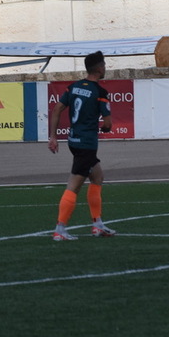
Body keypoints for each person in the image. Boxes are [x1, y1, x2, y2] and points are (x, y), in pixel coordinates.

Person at [47, 51, 117, 241]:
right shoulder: (100, 93)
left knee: (98, 177)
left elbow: (57, 109)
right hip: (87, 144)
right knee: (74, 186)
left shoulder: (74, 87)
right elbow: (109, 124)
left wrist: (53, 136)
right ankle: (60, 229)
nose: (105, 68)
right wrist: (103, 128)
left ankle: (97, 225)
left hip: (74, 141)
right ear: (98, 68)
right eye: (104, 65)